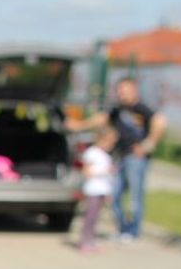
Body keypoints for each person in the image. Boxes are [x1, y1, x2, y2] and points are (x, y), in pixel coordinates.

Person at [67, 77, 167, 242]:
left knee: (135, 197)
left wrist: (147, 145)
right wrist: (80, 125)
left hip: (136, 158)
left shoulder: (141, 108)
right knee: (115, 195)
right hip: (120, 157)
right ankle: (123, 229)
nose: (121, 93)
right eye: (119, 90)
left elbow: (160, 121)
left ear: (134, 90)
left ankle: (133, 231)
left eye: (124, 89)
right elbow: (101, 118)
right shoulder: (118, 109)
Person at [76, 126, 118, 253]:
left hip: (102, 190)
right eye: (109, 141)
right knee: (90, 217)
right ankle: (85, 241)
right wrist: (104, 171)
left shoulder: (106, 155)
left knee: (96, 218)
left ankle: (92, 241)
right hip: (93, 190)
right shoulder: (92, 153)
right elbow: (86, 172)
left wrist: (108, 192)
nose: (111, 145)